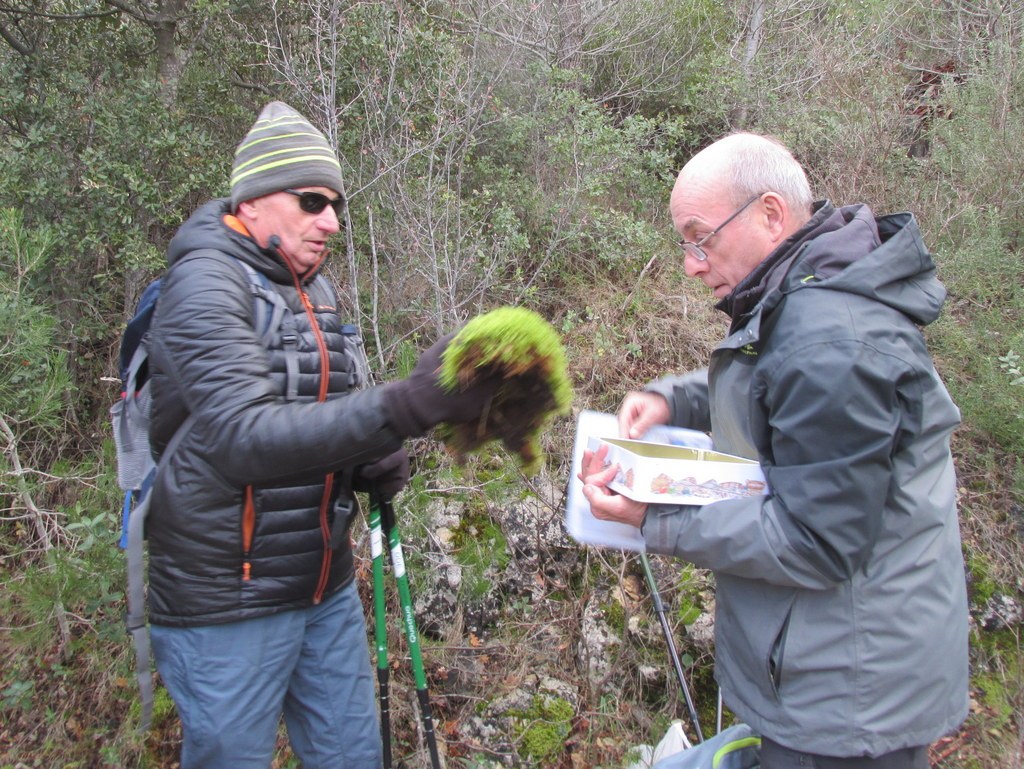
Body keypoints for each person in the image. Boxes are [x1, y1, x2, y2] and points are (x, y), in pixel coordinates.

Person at [580, 132, 968, 768]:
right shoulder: (808, 300)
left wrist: (656, 518)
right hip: (832, 675)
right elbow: (778, 388)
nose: (692, 263)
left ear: (769, 213)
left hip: (846, 702)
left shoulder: (831, 338)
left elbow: (814, 541)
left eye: (701, 238)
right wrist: (678, 401)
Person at [145, 101, 497, 769]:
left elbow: (322, 410)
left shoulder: (317, 289)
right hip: (227, 600)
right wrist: (402, 406)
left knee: (352, 755)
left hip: (322, 584)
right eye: (311, 201)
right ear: (252, 200)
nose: (331, 221)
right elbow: (245, 436)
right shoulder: (203, 284)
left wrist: (367, 458)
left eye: (335, 204)